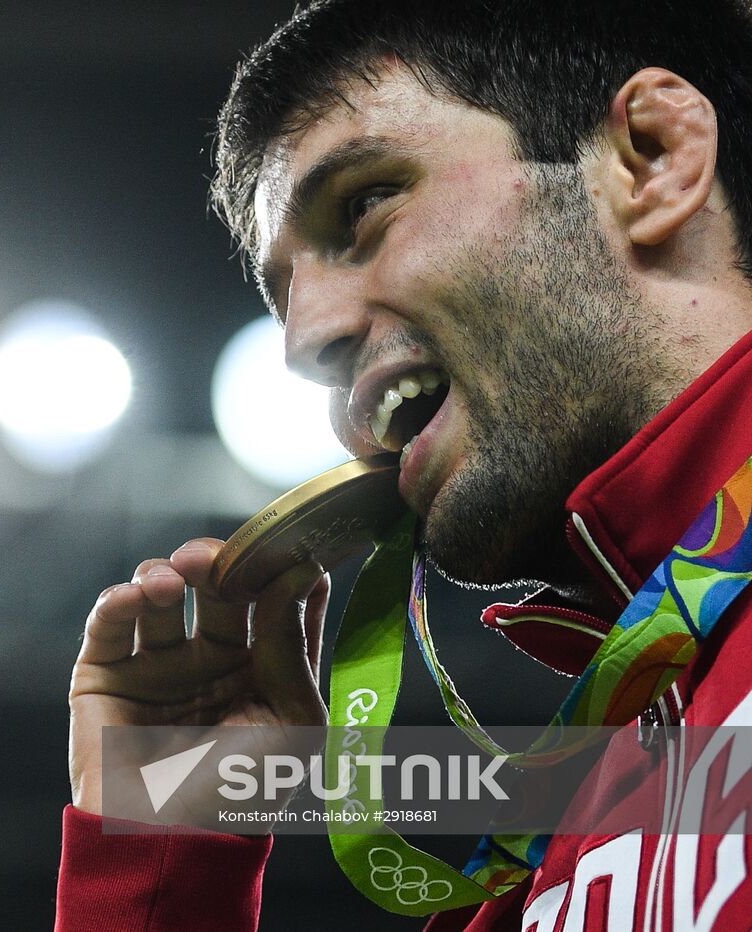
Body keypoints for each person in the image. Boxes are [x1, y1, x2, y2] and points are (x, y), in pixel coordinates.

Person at [55, 0, 752, 928]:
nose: (304, 341)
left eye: (366, 202)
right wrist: (162, 859)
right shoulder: (546, 852)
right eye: (284, 298)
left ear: (653, 156)